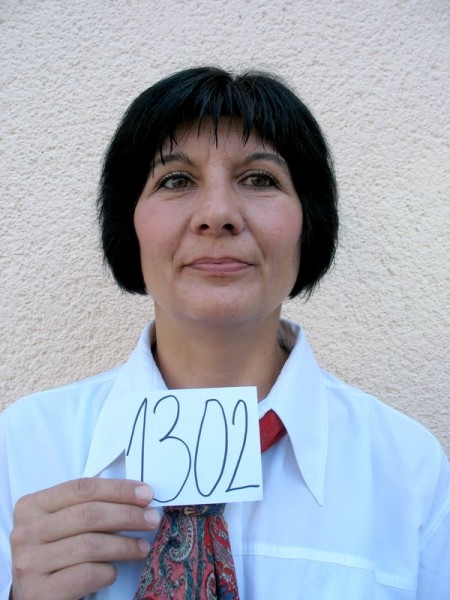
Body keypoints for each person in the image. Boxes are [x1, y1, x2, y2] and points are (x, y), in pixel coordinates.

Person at [1, 66, 449, 600]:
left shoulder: (410, 469)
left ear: (309, 222)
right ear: (129, 223)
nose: (217, 215)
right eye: (175, 180)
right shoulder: (23, 447)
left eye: (260, 179)